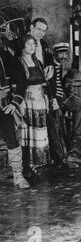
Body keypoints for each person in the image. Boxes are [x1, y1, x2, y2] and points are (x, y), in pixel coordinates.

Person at [17, 35, 51, 175]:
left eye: (33, 44)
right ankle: (27, 166)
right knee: (27, 134)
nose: (32, 47)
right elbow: (18, 85)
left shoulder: (37, 61)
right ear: (22, 46)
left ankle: (36, 163)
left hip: (40, 101)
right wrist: (21, 103)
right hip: (27, 102)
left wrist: (47, 100)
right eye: (29, 44)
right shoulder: (19, 62)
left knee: (39, 134)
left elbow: (44, 83)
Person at [0, 44, 29, 188]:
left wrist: (14, 102)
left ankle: (18, 176)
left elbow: (22, 80)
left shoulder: (6, 57)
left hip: (3, 106)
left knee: (11, 139)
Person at [46, 43, 79, 168]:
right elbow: (50, 86)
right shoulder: (51, 66)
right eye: (61, 53)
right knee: (55, 129)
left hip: (59, 100)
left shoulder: (59, 65)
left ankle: (61, 156)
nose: (63, 56)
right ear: (55, 54)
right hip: (52, 101)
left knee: (60, 129)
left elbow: (59, 85)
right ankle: (61, 158)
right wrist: (55, 101)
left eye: (65, 53)